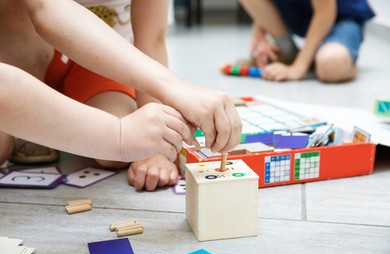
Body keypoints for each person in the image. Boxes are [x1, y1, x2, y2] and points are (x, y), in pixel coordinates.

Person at [0, 0, 242, 190]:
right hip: (22, 58)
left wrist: (157, 151)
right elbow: (47, 9)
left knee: (118, 153)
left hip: (99, 64)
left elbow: (151, 40)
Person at [238, 0, 375, 83]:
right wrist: (259, 34)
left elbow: (325, 13)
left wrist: (297, 69)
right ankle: (291, 53)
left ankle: (344, 64)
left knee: (331, 65)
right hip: (301, 14)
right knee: (322, 63)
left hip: (342, 18)